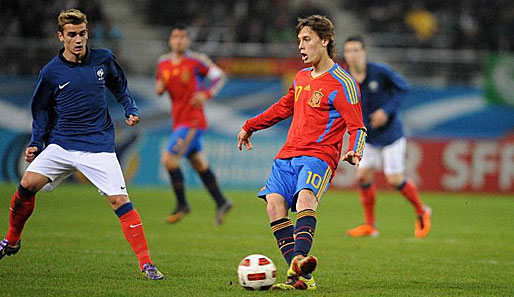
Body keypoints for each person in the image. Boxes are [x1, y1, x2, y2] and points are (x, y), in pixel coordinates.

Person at [0, 9, 163, 280]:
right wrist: (36, 142)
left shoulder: (103, 59)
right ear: (60, 37)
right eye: (72, 35)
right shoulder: (51, 72)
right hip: (61, 145)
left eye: (83, 34)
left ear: (88, 33)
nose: (78, 40)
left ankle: (146, 263)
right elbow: (40, 109)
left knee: (119, 200)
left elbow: (120, 86)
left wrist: (129, 108)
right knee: (27, 184)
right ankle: (11, 240)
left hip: (98, 145)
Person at [237, 15, 366, 290]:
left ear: (325, 41)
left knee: (306, 197)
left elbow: (357, 126)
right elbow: (283, 108)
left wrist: (355, 151)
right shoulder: (301, 77)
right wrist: (250, 126)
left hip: (319, 156)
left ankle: (296, 262)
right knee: (274, 204)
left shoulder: (343, 82)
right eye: (299, 41)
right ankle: (301, 274)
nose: (301, 46)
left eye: (306, 40)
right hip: (287, 155)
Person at [343, 36, 431, 238]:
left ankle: (422, 211)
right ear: (345, 55)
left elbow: (404, 87)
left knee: (394, 179)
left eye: (357, 50)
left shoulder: (379, 72)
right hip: (369, 137)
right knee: (363, 176)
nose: (353, 54)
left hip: (391, 135)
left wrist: (386, 110)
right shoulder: (345, 79)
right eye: (349, 51)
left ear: (364, 52)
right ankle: (370, 225)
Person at [155, 25, 232, 225]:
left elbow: (219, 76)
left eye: (182, 37)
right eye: (175, 37)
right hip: (178, 120)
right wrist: (160, 87)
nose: (179, 40)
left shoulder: (197, 61)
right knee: (198, 163)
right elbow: (159, 85)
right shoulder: (163, 63)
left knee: (168, 159)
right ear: (170, 41)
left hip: (193, 121)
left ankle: (182, 204)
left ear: (188, 41)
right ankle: (221, 201)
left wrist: (206, 94)